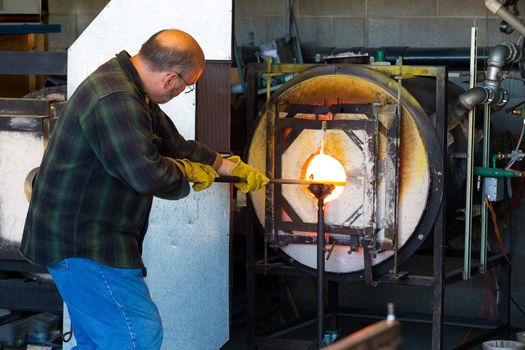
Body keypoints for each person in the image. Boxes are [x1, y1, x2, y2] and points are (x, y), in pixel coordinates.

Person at [20, 29, 268, 350]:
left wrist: (223, 165)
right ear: (171, 79)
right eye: (187, 86)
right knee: (135, 335)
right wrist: (184, 172)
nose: (182, 92)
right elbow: (148, 175)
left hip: (86, 233)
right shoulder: (116, 99)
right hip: (84, 242)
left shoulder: (131, 87)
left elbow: (173, 144)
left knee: (101, 341)